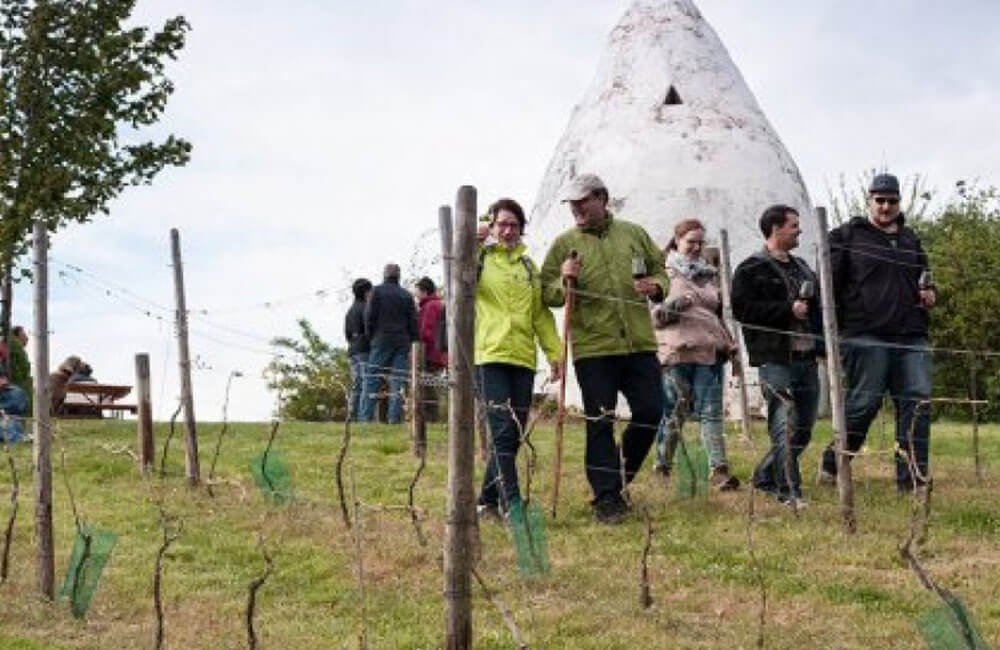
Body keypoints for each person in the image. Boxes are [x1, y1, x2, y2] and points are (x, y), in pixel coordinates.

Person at [539, 173, 667, 524]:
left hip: (638, 341)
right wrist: (564, 277)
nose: (576, 209)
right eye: (572, 204)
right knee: (600, 421)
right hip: (593, 347)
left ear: (602, 198)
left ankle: (619, 477)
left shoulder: (634, 234)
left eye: (583, 201)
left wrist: (656, 287)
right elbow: (546, 293)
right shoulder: (564, 243)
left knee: (651, 411)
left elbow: (660, 270)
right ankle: (606, 498)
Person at [819, 173, 935, 492]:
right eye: (880, 200)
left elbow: (925, 275)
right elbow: (827, 288)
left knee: (918, 402)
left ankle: (912, 478)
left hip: (911, 334)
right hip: (864, 333)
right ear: (869, 201)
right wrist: (828, 336)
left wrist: (929, 293)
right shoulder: (846, 236)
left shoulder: (911, 239)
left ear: (900, 202)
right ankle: (833, 460)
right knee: (864, 404)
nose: (886, 207)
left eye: (892, 201)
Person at [474, 198, 561, 518]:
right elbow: (457, 275)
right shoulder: (480, 258)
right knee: (501, 431)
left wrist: (556, 353)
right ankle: (513, 505)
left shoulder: (528, 267)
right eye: (501, 224)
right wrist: (474, 239)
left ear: (521, 228)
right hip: (488, 355)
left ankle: (486, 501)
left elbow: (540, 315)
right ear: (492, 225)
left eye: (513, 225)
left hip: (523, 358)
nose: (507, 231)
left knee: (513, 433)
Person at [732, 205, 823, 505]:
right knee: (783, 425)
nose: (799, 230)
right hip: (775, 358)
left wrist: (822, 347)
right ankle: (789, 491)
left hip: (806, 356)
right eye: (794, 225)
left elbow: (819, 312)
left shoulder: (803, 268)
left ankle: (764, 475)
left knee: (805, 428)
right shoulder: (751, 269)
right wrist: (787, 310)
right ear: (775, 228)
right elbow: (743, 311)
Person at [651, 218, 740, 491]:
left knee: (712, 412)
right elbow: (654, 318)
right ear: (677, 240)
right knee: (675, 412)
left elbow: (717, 314)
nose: (696, 247)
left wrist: (730, 344)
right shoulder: (663, 273)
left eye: (700, 242)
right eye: (691, 241)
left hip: (709, 352)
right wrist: (678, 303)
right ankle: (662, 465)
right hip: (677, 352)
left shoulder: (708, 275)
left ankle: (719, 470)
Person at [360, 264, 418, 424]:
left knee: (372, 378)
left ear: (384, 275)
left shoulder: (376, 292)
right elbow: (413, 321)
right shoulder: (406, 295)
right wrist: (413, 341)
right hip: (401, 342)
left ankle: (365, 417)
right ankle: (394, 418)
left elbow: (369, 317)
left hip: (381, 340)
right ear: (399, 276)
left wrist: (370, 336)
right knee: (397, 380)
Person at [415, 277, 447, 421]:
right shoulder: (434, 304)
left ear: (424, 291)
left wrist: (420, 347)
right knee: (428, 383)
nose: (416, 295)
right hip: (435, 351)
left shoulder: (430, 306)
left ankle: (432, 417)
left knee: (428, 384)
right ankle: (431, 417)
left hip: (429, 352)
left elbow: (427, 331)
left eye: (417, 292)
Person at [344, 278, 372, 421]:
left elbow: (347, 334)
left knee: (356, 384)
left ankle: (352, 415)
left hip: (352, 349)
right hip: (364, 349)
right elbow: (369, 331)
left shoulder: (350, 310)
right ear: (366, 292)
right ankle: (364, 417)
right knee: (367, 382)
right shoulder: (366, 308)